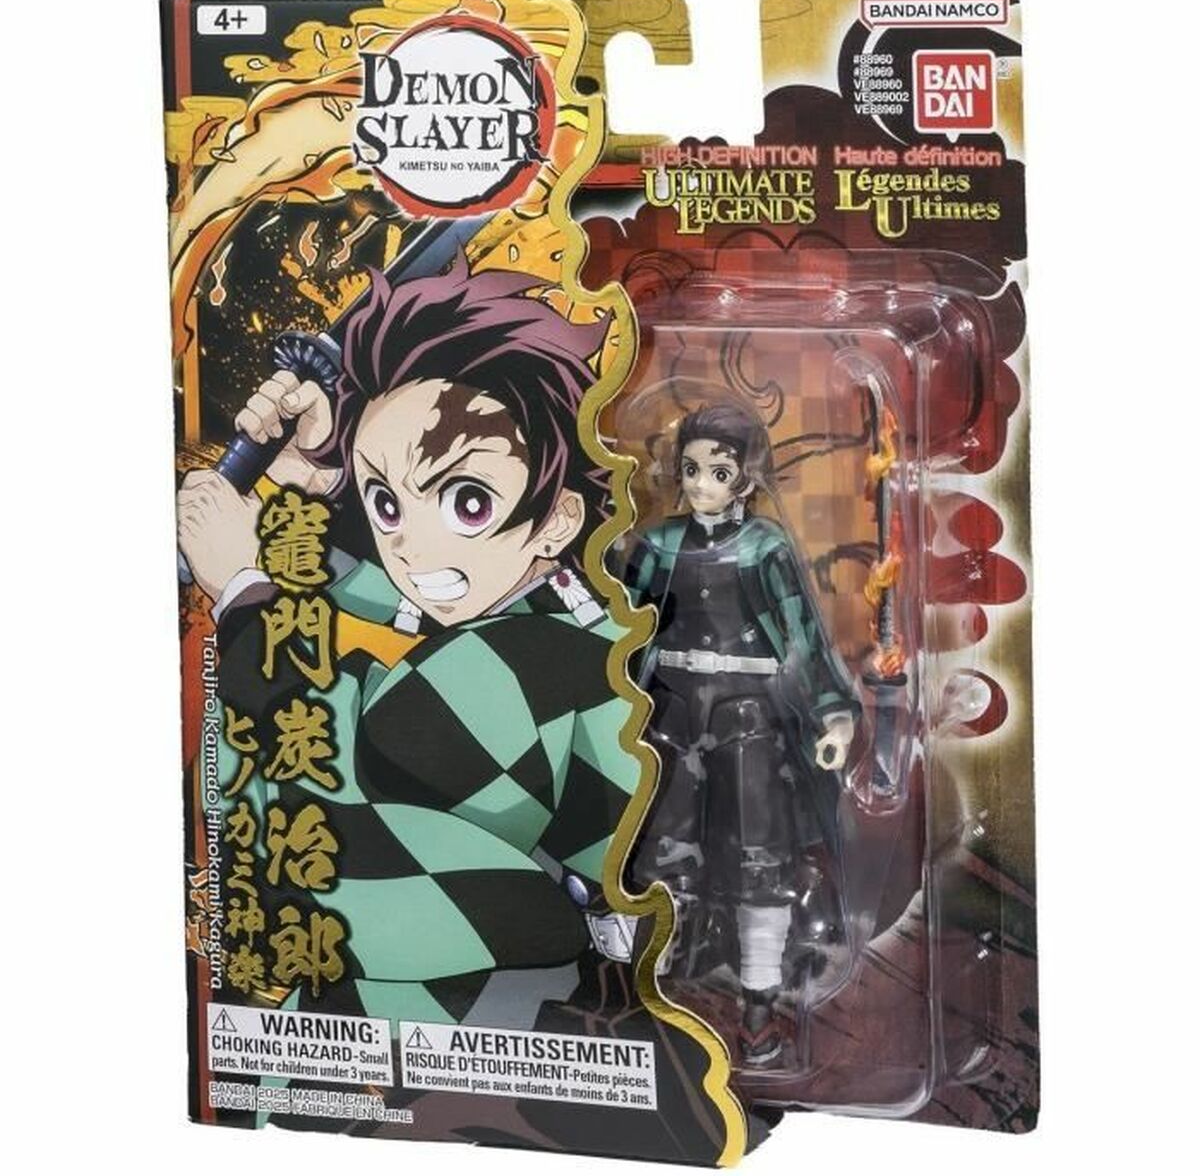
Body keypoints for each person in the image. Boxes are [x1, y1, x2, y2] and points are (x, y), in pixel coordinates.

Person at [177, 258, 641, 1032]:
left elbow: (324, 787)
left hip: (468, 1025)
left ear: (558, 519)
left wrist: (245, 592)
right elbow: (422, 594)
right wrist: (324, 481)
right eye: (387, 502)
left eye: (468, 502)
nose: (411, 546)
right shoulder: (565, 611)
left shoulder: (529, 665)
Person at [624, 401, 860, 1066]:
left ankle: (759, 1004)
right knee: (661, 849)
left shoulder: (766, 548)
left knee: (760, 853)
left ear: (746, 478)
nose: (701, 484)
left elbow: (803, 633)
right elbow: (621, 616)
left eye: (718, 472)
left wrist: (833, 711)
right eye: (691, 469)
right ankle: (652, 988)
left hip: (749, 714)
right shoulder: (658, 545)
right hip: (669, 712)